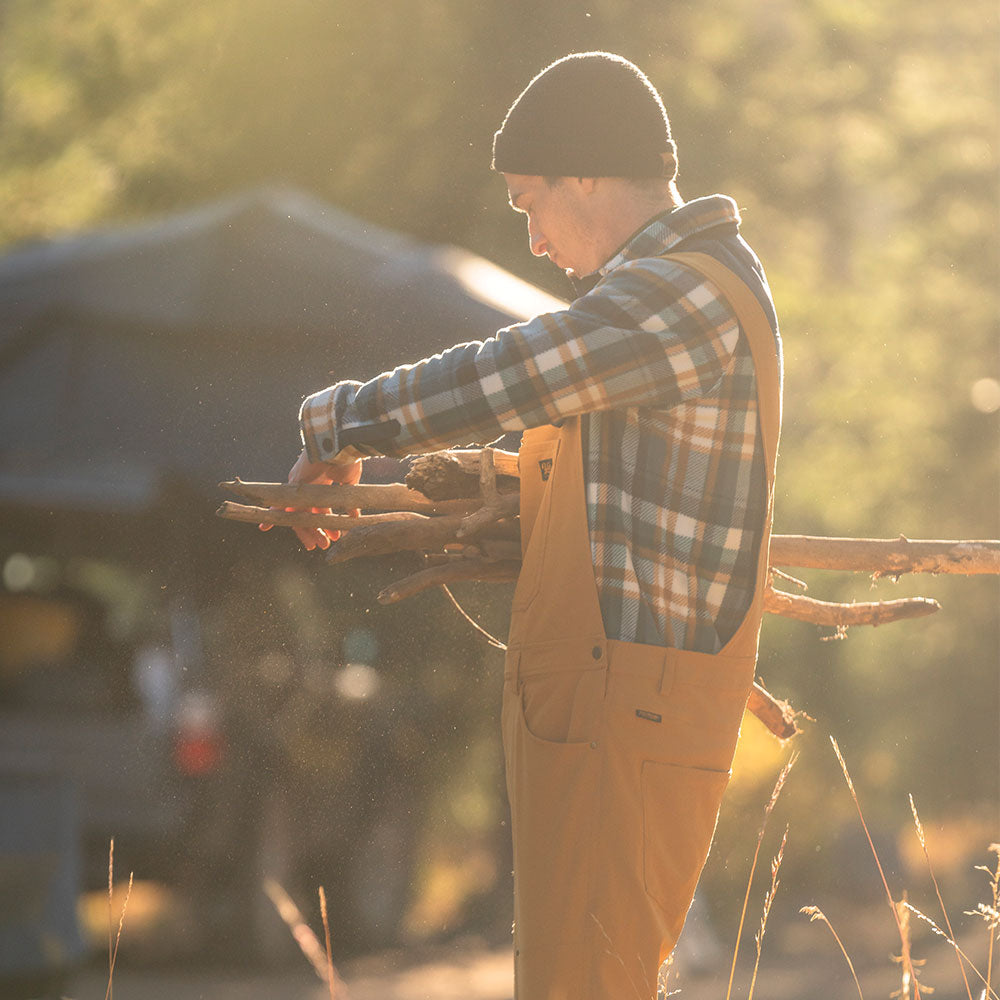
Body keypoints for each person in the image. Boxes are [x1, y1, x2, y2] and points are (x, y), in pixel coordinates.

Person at [275, 51, 781, 1000]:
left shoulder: (686, 294)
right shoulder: (675, 294)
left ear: (584, 172)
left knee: (583, 987)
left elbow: (514, 372)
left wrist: (340, 422)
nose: (536, 240)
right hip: (617, 706)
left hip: (625, 709)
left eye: (528, 202)